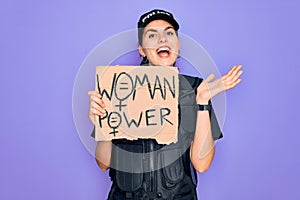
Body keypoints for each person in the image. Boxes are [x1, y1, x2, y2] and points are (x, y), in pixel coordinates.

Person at [88, 9, 242, 200]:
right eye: (152, 35)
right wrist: (102, 127)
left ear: (177, 45)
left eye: (169, 33)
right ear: (141, 49)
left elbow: (201, 164)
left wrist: (202, 103)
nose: (163, 39)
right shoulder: (117, 86)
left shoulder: (196, 89)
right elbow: (103, 164)